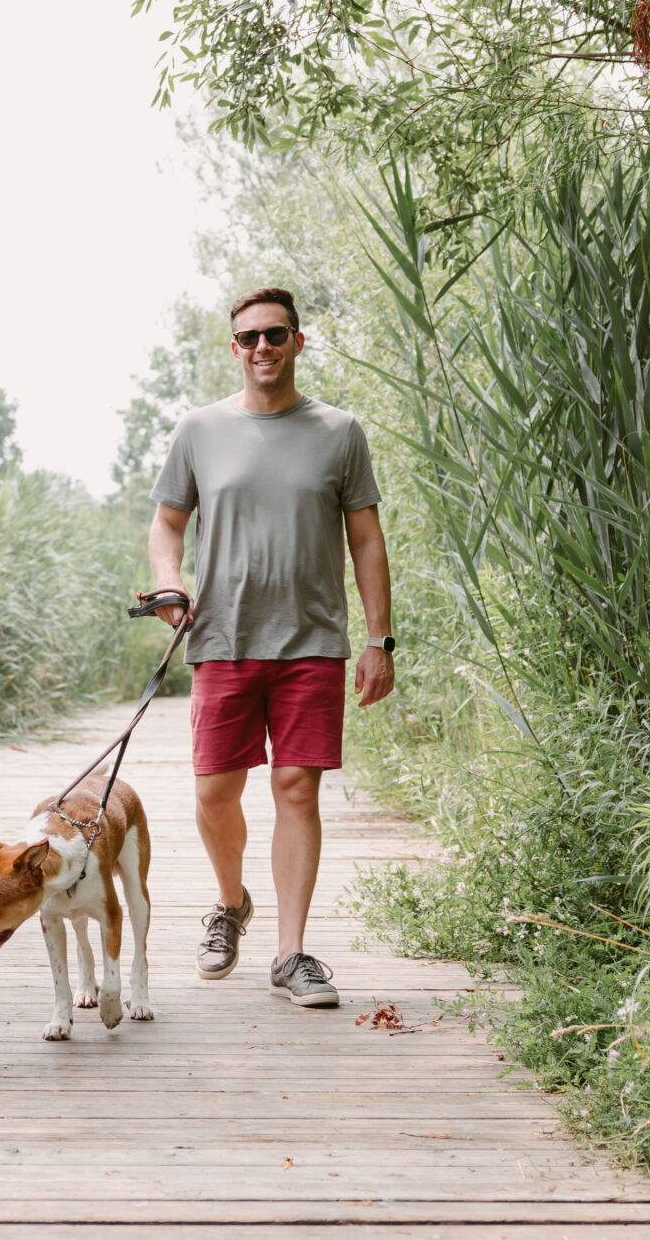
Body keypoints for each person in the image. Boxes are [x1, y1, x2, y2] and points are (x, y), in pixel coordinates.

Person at [147, 287, 394, 1009]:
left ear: (297, 341)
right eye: (249, 337)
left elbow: (368, 540)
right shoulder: (199, 429)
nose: (263, 347)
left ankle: (291, 953)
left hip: (312, 640)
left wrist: (378, 637)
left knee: (296, 789)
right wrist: (169, 580)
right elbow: (166, 524)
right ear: (234, 348)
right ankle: (231, 903)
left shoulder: (340, 432)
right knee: (215, 792)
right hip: (221, 635)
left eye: (275, 334)